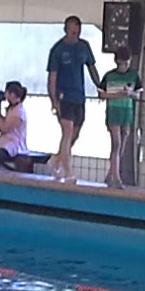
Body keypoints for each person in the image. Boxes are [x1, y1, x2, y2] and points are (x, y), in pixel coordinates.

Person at [45, 15, 101, 180]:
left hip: (79, 96)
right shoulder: (58, 50)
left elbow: (92, 68)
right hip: (64, 96)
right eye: (72, 31)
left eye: (77, 31)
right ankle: (68, 172)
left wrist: (100, 86)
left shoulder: (84, 47)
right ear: (66, 30)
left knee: (75, 133)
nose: (75, 34)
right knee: (67, 131)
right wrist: (53, 100)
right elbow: (52, 77)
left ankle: (56, 160)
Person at [100, 51, 143, 188]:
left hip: (127, 111)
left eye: (126, 63)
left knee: (122, 142)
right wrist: (117, 95)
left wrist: (129, 93)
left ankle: (111, 172)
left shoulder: (134, 75)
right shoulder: (109, 76)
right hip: (114, 110)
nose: (123, 66)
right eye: (121, 63)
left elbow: (138, 95)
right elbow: (101, 94)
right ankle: (116, 177)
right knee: (116, 143)